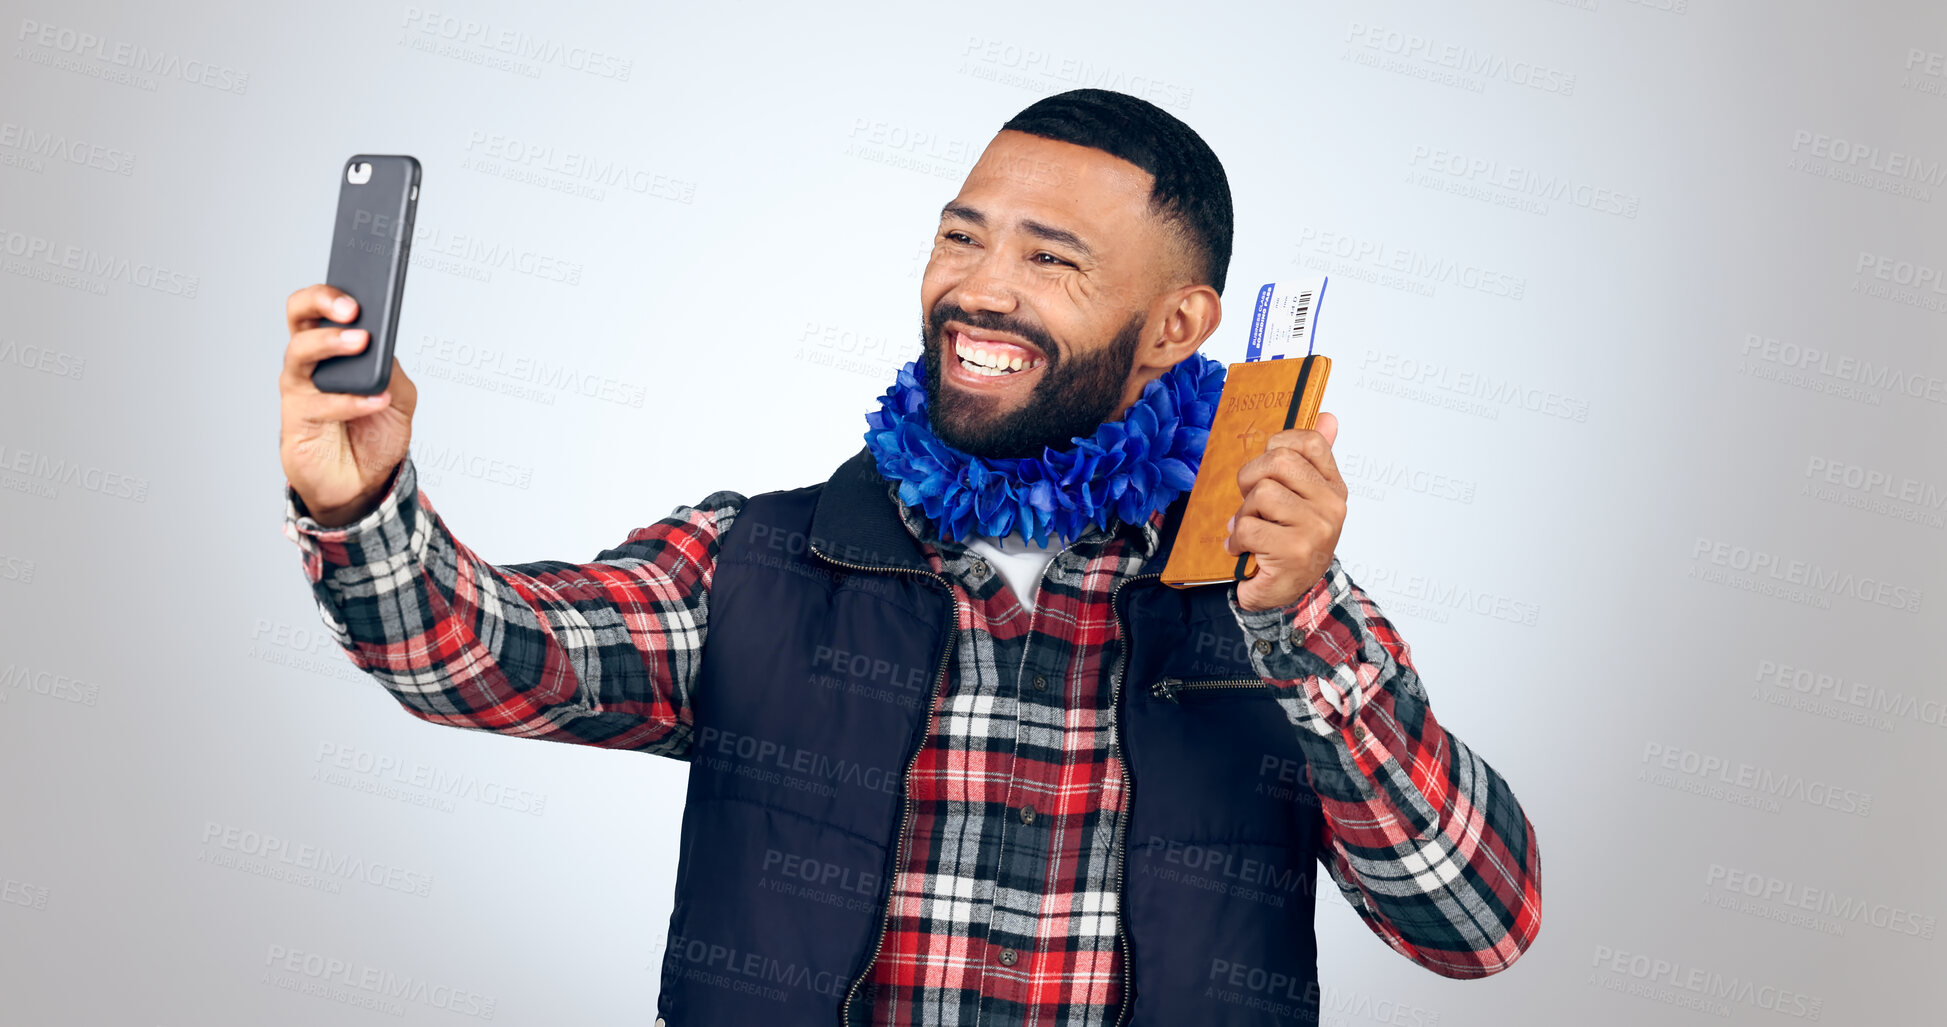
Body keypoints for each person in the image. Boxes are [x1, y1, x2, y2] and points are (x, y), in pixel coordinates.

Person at [277, 88, 1540, 1027]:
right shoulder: (761, 561)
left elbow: (1477, 925)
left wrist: (1307, 622)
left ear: (1177, 326)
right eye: (962, 238)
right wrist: (363, 500)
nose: (980, 290)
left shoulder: (1271, 606)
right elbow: (477, 651)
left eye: (1052, 259)